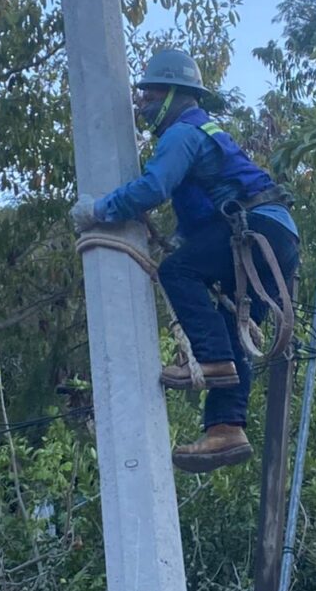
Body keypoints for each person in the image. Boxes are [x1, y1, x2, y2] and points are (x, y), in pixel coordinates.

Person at [70, 49, 299, 474]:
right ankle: (227, 428)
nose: (144, 106)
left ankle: (210, 360)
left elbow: (152, 187)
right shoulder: (204, 133)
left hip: (256, 230)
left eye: (151, 95)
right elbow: (205, 206)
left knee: (179, 273)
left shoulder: (183, 133)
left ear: (176, 93)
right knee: (233, 326)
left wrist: (97, 210)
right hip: (276, 236)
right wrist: (180, 237)